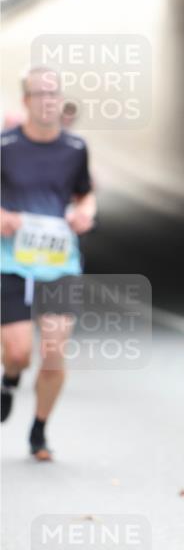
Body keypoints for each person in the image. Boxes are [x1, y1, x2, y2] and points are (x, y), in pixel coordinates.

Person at [1, 67, 96, 461]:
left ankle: (39, 431)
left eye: (53, 93)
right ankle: (10, 378)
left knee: (54, 350)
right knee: (20, 352)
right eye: (39, 94)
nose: (48, 100)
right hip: (11, 262)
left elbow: (85, 195)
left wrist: (84, 214)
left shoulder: (75, 149)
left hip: (59, 262)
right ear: (26, 101)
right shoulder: (5, 146)